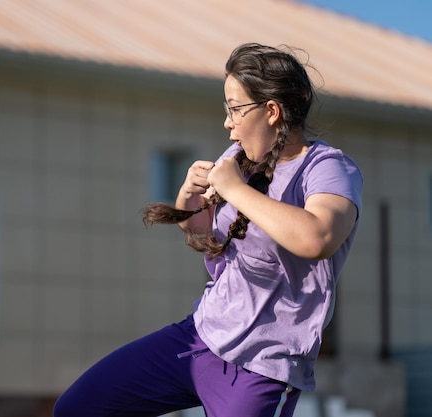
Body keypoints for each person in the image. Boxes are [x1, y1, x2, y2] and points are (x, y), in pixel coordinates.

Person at [53, 43, 363, 417]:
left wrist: (234, 189)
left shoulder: (327, 168)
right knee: (77, 408)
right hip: (199, 338)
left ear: (271, 111)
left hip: (263, 365)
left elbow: (318, 238)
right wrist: (189, 196)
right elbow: (206, 234)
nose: (227, 122)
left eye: (235, 108)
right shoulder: (240, 161)